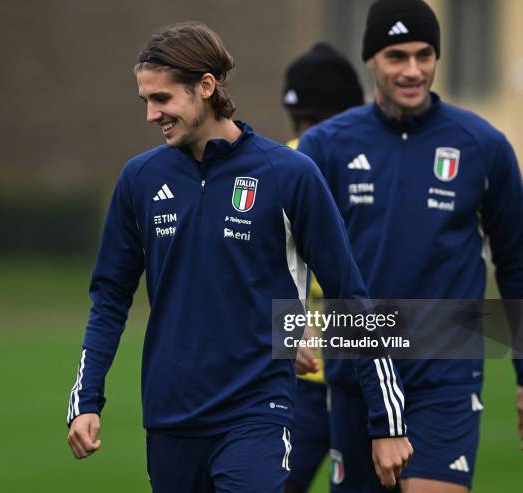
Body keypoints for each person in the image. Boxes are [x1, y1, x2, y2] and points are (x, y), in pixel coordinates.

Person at [65, 21, 412, 493]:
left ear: (205, 87)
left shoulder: (289, 175)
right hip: (170, 418)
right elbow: (109, 300)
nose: (151, 114)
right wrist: (86, 400)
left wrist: (386, 420)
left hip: (257, 414)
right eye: (145, 100)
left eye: (162, 99)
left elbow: (351, 296)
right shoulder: (139, 180)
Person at [297, 1, 523, 492]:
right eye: (397, 56)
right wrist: (292, 328)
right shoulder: (325, 146)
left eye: (425, 54)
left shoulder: (483, 145)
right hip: (356, 365)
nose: (414, 70)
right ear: (371, 60)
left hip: (448, 368)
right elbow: (281, 253)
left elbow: (516, 262)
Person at [281, 43, 365, 493]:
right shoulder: (359, 164)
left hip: (305, 374)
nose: (305, 136)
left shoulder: (278, 163)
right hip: (335, 374)